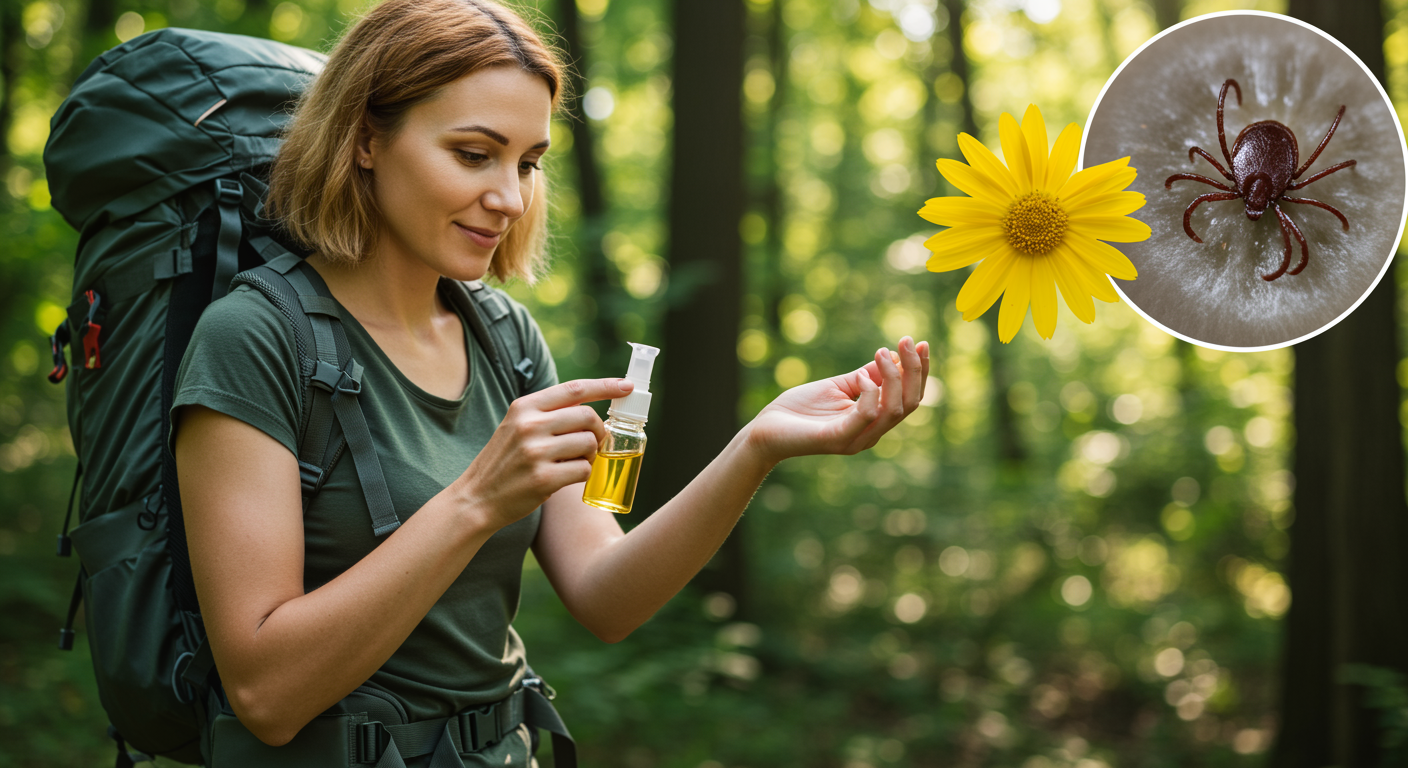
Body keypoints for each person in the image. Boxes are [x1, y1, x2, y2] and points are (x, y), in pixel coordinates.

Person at [170, 0, 931, 763]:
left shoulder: (503, 339)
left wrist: (758, 445)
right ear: (367, 139)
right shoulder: (256, 337)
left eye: (528, 162)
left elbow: (608, 595)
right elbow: (266, 696)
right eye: (474, 154)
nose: (510, 198)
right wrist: (475, 501)